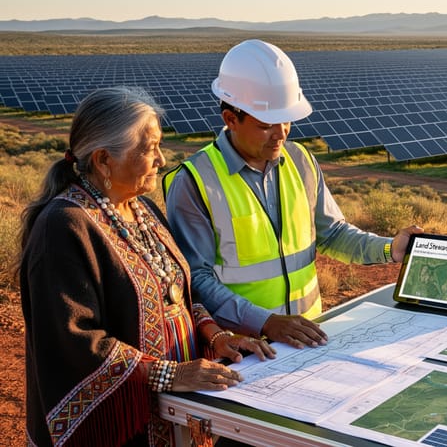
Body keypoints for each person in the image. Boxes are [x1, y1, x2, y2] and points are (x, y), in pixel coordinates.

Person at [19, 87, 275, 447]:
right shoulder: (64, 226)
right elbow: (73, 338)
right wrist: (168, 374)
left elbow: (175, 295)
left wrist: (216, 336)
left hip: (170, 412)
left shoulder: (143, 210)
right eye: (148, 148)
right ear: (104, 160)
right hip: (122, 426)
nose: (161, 160)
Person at [164, 39, 421, 349]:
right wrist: (266, 323)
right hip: (241, 350)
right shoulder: (194, 181)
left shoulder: (300, 160)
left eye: (286, 120)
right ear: (231, 119)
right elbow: (197, 280)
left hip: (310, 337)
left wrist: (389, 249)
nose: (281, 133)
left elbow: (332, 233)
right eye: (265, 125)